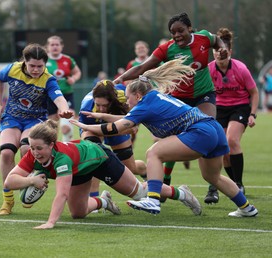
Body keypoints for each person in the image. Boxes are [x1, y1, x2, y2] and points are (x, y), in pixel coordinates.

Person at [72, 58, 258, 217]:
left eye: (129, 98)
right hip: (214, 129)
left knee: (154, 152)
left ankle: (152, 200)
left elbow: (117, 127)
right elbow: (127, 119)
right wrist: (102, 116)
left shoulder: (145, 104)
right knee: (212, 176)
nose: (128, 102)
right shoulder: (153, 98)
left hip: (200, 131)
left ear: (138, 95)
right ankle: (246, 208)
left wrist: (85, 126)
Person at [114, 12, 228, 204]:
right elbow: (142, 67)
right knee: (171, 140)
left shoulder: (203, 37)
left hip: (203, 94)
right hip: (178, 98)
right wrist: (119, 79)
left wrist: (223, 48)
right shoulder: (167, 49)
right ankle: (165, 179)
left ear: (190, 28)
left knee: (210, 131)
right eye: (173, 32)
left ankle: (213, 186)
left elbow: (217, 41)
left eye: (180, 31)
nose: (177, 36)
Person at [4, 120, 202, 229]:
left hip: (100, 159)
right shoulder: (32, 154)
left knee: (139, 194)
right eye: (32, 148)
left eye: (39, 148)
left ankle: (182, 193)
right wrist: (31, 180)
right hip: (79, 169)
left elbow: (61, 194)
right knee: (77, 214)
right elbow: (9, 181)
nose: (35, 152)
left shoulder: (61, 159)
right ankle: (104, 201)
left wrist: (50, 222)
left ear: (51, 145)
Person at [0, 43, 73, 216]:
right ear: (24, 62)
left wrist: (63, 109)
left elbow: (59, 97)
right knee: (6, 153)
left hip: (34, 120)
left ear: (45, 64)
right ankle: (7, 200)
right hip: (11, 118)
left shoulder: (48, 79)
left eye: (40, 66)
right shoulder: (12, 69)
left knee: (26, 148)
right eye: (32, 66)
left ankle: (28, 184)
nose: (36, 70)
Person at [209, 27, 259, 196]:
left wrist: (252, 114)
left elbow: (254, 93)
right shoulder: (209, 70)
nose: (218, 53)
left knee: (231, 140)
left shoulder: (240, 68)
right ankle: (233, 184)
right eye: (216, 50)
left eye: (222, 50)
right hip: (219, 109)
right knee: (222, 148)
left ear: (229, 51)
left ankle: (239, 184)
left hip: (240, 107)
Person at [79, 80, 147, 200]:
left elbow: (133, 126)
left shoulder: (124, 96)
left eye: (105, 105)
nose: (101, 109)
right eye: (98, 105)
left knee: (131, 168)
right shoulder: (86, 108)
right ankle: (94, 199)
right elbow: (85, 131)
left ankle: (145, 171)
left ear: (113, 100)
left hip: (117, 126)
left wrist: (121, 128)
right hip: (93, 128)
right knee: (93, 156)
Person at [45, 35, 82, 142]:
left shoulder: (68, 59)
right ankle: (53, 149)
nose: (55, 47)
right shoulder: (43, 60)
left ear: (62, 46)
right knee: (51, 127)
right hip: (49, 96)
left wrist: (73, 79)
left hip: (66, 95)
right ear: (47, 47)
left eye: (57, 44)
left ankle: (67, 148)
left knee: (66, 126)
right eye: (52, 45)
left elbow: (77, 72)